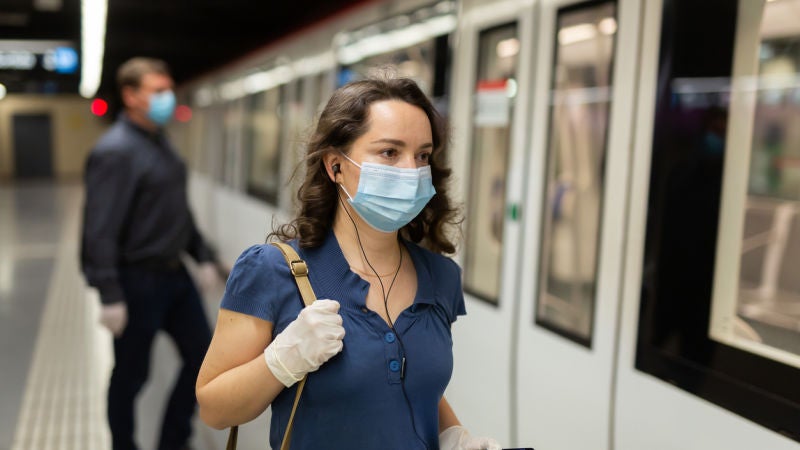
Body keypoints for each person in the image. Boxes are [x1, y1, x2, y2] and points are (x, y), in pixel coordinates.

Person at [196, 76, 501, 450]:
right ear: (335, 166)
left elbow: (411, 386)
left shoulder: (440, 278)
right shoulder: (272, 271)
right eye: (389, 152)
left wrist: (454, 437)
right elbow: (214, 408)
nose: (411, 170)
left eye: (422, 155)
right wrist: (281, 361)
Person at [81, 57, 221, 450]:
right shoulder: (115, 152)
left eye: (168, 89)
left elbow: (177, 211)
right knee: (131, 376)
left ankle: (173, 441)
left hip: (175, 277)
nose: (167, 97)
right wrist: (109, 292)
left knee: (204, 358)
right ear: (130, 96)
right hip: (136, 281)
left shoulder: (161, 143)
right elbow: (99, 228)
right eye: (157, 91)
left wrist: (202, 255)